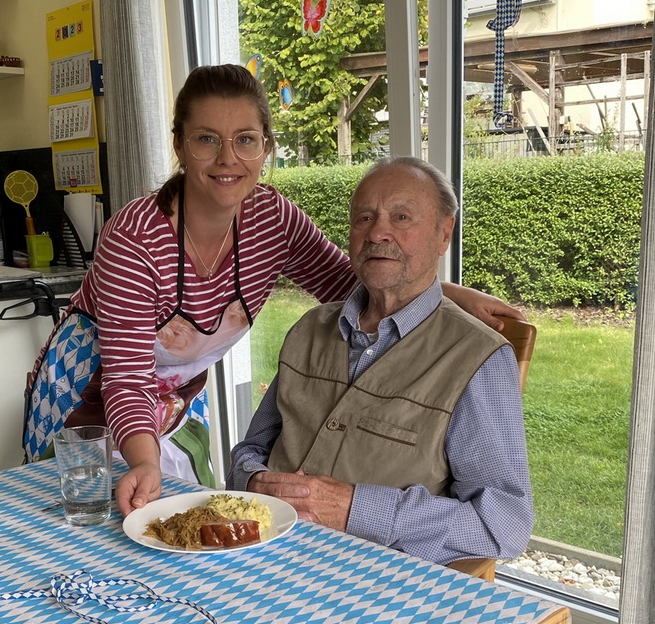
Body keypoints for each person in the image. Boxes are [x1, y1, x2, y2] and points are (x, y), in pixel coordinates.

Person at [25, 64, 524, 518]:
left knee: (177, 536)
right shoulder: (135, 235)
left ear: (266, 146)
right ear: (178, 144)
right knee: (85, 526)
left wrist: (447, 295)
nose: (228, 159)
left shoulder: (272, 220)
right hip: (89, 394)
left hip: (174, 402)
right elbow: (127, 377)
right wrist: (144, 460)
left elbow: (356, 280)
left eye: (245, 139)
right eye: (206, 139)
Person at [228, 157, 533, 566]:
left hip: (375, 589)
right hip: (261, 558)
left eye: (402, 217)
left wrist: (356, 508)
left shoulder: (478, 359)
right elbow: (251, 449)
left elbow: (505, 527)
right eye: (364, 218)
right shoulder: (308, 329)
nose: (377, 233)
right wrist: (255, 480)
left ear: (445, 233)